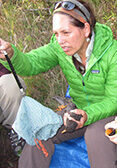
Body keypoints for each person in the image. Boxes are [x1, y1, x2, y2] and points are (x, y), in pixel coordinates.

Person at [0, 0, 117, 167]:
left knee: (96, 136)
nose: (60, 40)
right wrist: (11, 55)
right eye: (56, 33)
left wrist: (87, 114)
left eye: (66, 32)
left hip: (109, 115)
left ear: (86, 29)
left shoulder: (112, 53)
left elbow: (113, 100)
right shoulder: (59, 48)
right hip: (77, 112)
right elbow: (31, 64)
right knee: (41, 132)